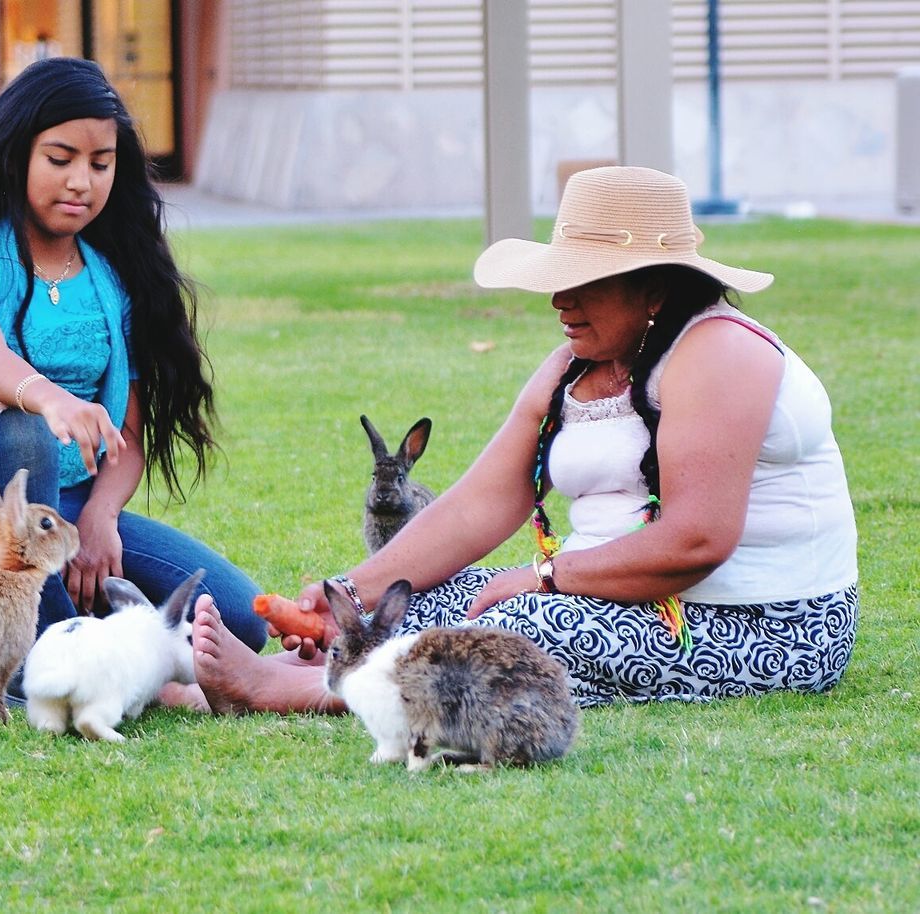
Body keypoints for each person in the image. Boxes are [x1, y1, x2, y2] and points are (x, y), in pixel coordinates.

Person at [192, 165, 858, 713]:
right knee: (431, 597)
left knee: (513, 630)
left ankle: (287, 689)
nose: (558, 301)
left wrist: (545, 576)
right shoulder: (576, 364)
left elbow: (697, 540)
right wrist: (353, 596)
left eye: (583, 282)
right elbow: (479, 504)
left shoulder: (719, 355)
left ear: (655, 287)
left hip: (762, 625)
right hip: (610, 594)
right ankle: (324, 665)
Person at [0, 58, 268, 699]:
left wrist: (103, 521)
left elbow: (127, 432)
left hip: (71, 513)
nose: (82, 181)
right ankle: (61, 675)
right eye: (60, 158)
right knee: (17, 421)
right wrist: (51, 400)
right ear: (15, 154)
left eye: (100, 163)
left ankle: (81, 637)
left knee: (239, 620)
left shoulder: (112, 276)